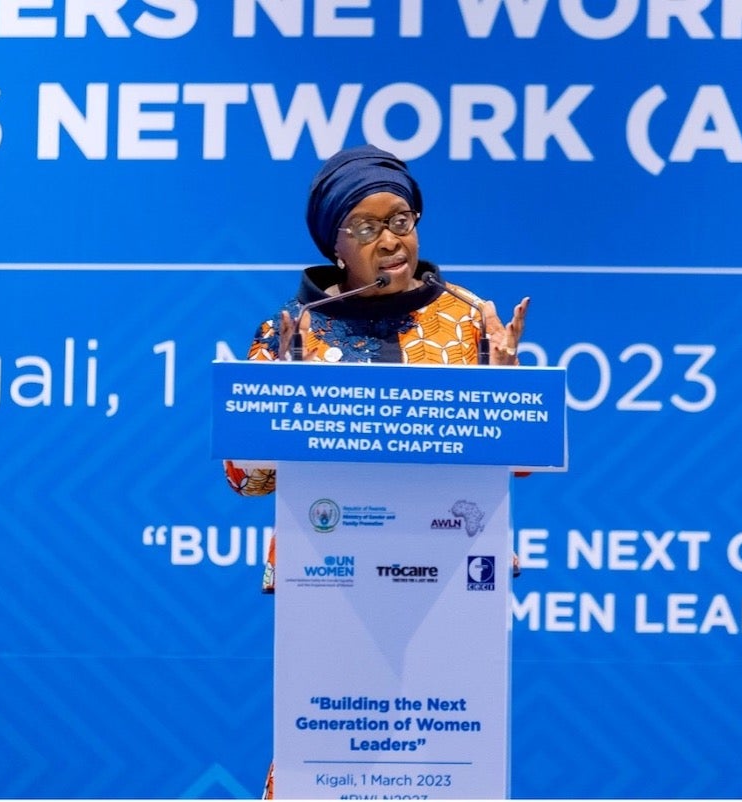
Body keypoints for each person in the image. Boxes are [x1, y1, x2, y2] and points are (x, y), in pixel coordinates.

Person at [221, 143, 529, 799]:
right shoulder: (290, 333)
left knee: (447, 764)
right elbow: (247, 478)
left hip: (450, 581)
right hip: (327, 588)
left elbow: (521, 464)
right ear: (336, 245)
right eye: (367, 227)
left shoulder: (471, 323)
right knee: (326, 763)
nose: (391, 241)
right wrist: (281, 402)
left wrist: (505, 391)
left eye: (403, 221)